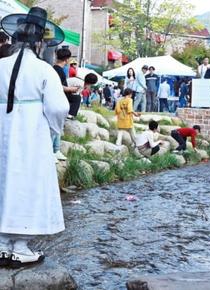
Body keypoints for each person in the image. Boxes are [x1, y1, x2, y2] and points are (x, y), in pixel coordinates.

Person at [0, 7, 68, 267]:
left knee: (4, 178)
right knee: (26, 180)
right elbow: (59, 108)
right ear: (39, 42)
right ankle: (20, 245)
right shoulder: (44, 70)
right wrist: (52, 128)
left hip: (3, 131)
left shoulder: (0, 66)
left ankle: (3, 244)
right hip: (30, 133)